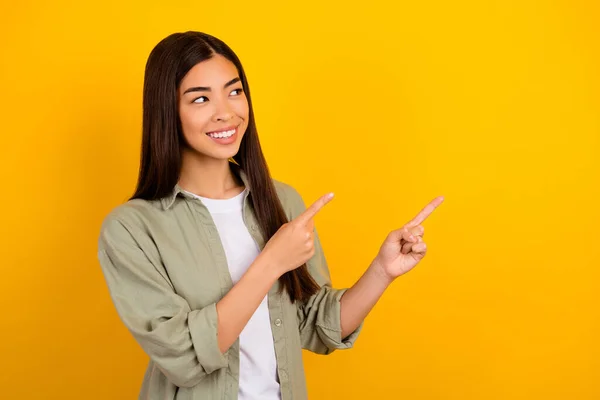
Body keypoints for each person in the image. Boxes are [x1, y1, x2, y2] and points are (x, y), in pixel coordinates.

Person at [97, 31, 444, 400]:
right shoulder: (131, 229)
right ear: (167, 111)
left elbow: (315, 325)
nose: (226, 112)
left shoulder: (280, 201)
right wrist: (272, 262)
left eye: (234, 91)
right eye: (201, 98)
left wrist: (382, 271)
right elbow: (183, 356)